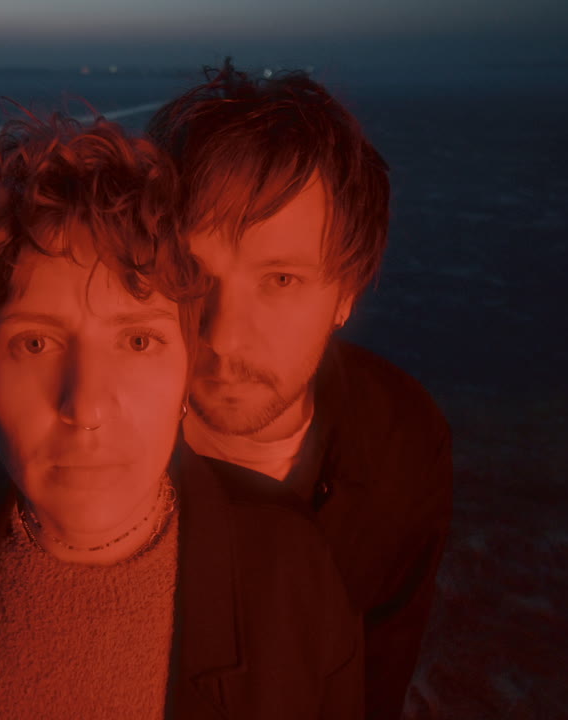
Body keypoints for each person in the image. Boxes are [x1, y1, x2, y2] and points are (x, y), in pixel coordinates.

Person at [0, 107, 364, 719]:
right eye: (35, 342)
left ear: (186, 373)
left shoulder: (292, 568)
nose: (85, 405)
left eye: (137, 341)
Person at [147, 60, 454, 720]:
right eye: (193, 274)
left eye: (280, 279)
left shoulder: (403, 439)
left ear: (345, 291)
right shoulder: (93, 448)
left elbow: (382, 663)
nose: (224, 335)